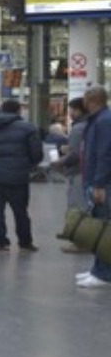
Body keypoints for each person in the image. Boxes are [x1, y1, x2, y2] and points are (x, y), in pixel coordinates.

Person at [0, 99, 42, 253]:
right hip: (18, 178)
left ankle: (2, 243)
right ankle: (25, 242)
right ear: (18, 110)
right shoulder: (28, 128)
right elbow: (37, 154)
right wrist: (28, 165)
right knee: (21, 212)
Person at [75, 86, 111, 288]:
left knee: (103, 228)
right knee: (100, 226)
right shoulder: (99, 120)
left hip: (103, 183)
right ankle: (98, 269)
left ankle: (103, 274)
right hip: (97, 180)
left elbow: (105, 155)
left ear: (91, 100)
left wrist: (98, 184)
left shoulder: (104, 121)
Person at [61, 98, 90, 254]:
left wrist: (61, 160)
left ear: (77, 110)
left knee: (77, 208)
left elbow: (76, 154)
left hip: (78, 172)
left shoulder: (79, 128)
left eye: (70, 110)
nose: (70, 114)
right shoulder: (90, 125)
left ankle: (80, 243)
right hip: (86, 171)